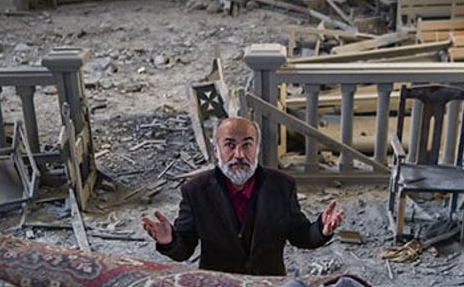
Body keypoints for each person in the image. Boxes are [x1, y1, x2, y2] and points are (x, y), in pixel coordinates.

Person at [141, 116, 344, 276]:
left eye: (247, 145)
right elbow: (184, 250)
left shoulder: (281, 186)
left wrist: (321, 229)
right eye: (229, 145)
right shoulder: (195, 191)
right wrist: (168, 240)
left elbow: (300, 236)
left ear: (256, 149)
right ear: (216, 150)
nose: (239, 154)